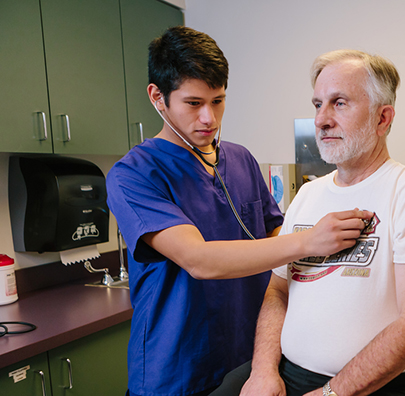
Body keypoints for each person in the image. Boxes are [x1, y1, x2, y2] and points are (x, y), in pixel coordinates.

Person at [106, 27, 370, 396]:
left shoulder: (241, 159)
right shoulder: (133, 175)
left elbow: (274, 237)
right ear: (158, 98)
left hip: (250, 360)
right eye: (194, 103)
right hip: (178, 369)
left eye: (218, 101)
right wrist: (310, 240)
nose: (209, 119)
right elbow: (200, 261)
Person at [211, 49, 405, 396]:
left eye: (339, 103)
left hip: (374, 386)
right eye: (318, 105)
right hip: (287, 375)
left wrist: (333, 392)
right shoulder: (308, 196)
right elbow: (277, 290)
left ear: (382, 118)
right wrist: (263, 370)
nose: (321, 120)